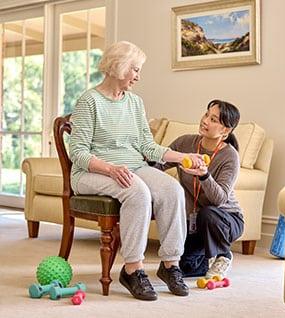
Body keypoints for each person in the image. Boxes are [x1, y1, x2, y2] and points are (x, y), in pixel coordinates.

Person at [69, 41, 205, 301]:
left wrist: (184, 157)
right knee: (138, 192)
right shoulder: (89, 101)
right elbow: (78, 153)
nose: (138, 76)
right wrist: (110, 168)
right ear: (118, 67)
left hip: (133, 166)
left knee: (172, 189)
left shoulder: (135, 103)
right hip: (91, 172)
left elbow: (147, 146)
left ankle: (171, 265)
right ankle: (133, 269)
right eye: (135, 69)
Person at [155, 100, 244, 279]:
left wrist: (204, 175)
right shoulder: (185, 143)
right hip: (193, 222)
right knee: (180, 268)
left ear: (225, 131)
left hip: (225, 219)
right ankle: (206, 257)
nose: (205, 121)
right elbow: (158, 165)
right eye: (206, 115)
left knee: (208, 213)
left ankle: (223, 254)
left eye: (213, 119)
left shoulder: (229, 156)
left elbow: (219, 199)